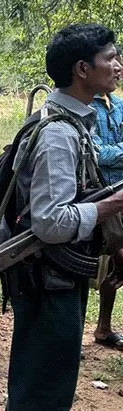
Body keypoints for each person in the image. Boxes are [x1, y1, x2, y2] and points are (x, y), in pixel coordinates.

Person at [0, 24, 123, 411]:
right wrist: (110, 204)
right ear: (82, 69)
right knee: (50, 372)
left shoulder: (72, 121)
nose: (118, 65)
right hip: (49, 275)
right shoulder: (58, 134)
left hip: (51, 274)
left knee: (37, 366)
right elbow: (50, 222)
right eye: (110, 57)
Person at [91, 54, 123, 350]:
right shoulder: (85, 108)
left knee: (117, 263)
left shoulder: (120, 106)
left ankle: (104, 327)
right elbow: (97, 155)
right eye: (112, 60)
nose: (118, 68)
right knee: (97, 260)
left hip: (120, 194)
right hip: (96, 195)